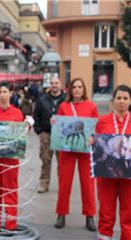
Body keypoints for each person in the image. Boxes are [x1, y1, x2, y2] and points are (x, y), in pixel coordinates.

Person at [54, 77, 98, 231]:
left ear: (83, 89)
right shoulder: (64, 106)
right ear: (70, 89)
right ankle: (61, 214)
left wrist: (94, 137)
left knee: (88, 184)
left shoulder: (91, 106)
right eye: (74, 87)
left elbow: (95, 127)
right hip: (67, 150)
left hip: (86, 150)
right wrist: (54, 122)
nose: (77, 89)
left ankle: (90, 216)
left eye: (80, 87)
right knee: (64, 182)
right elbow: (59, 125)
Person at [0, 81, 25, 231]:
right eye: (0, 92)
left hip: (10, 158)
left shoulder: (17, 113)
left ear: (10, 94)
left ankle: (10, 225)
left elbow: (21, 136)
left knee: (10, 190)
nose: (2, 95)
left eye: (5, 92)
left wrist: (27, 127)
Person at [94, 85, 131, 240]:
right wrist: (92, 142)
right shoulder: (103, 121)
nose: (121, 102)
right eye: (119, 98)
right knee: (106, 213)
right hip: (106, 175)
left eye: (125, 98)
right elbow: (97, 144)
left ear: (130, 101)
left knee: (128, 213)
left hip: (128, 177)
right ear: (113, 100)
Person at [33, 77, 66, 193]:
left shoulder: (66, 99)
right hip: (46, 134)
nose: (54, 85)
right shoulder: (42, 99)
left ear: (60, 85)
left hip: (62, 135)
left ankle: (63, 185)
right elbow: (36, 115)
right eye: (52, 83)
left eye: (56, 83)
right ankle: (44, 184)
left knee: (62, 162)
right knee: (45, 161)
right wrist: (39, 131)